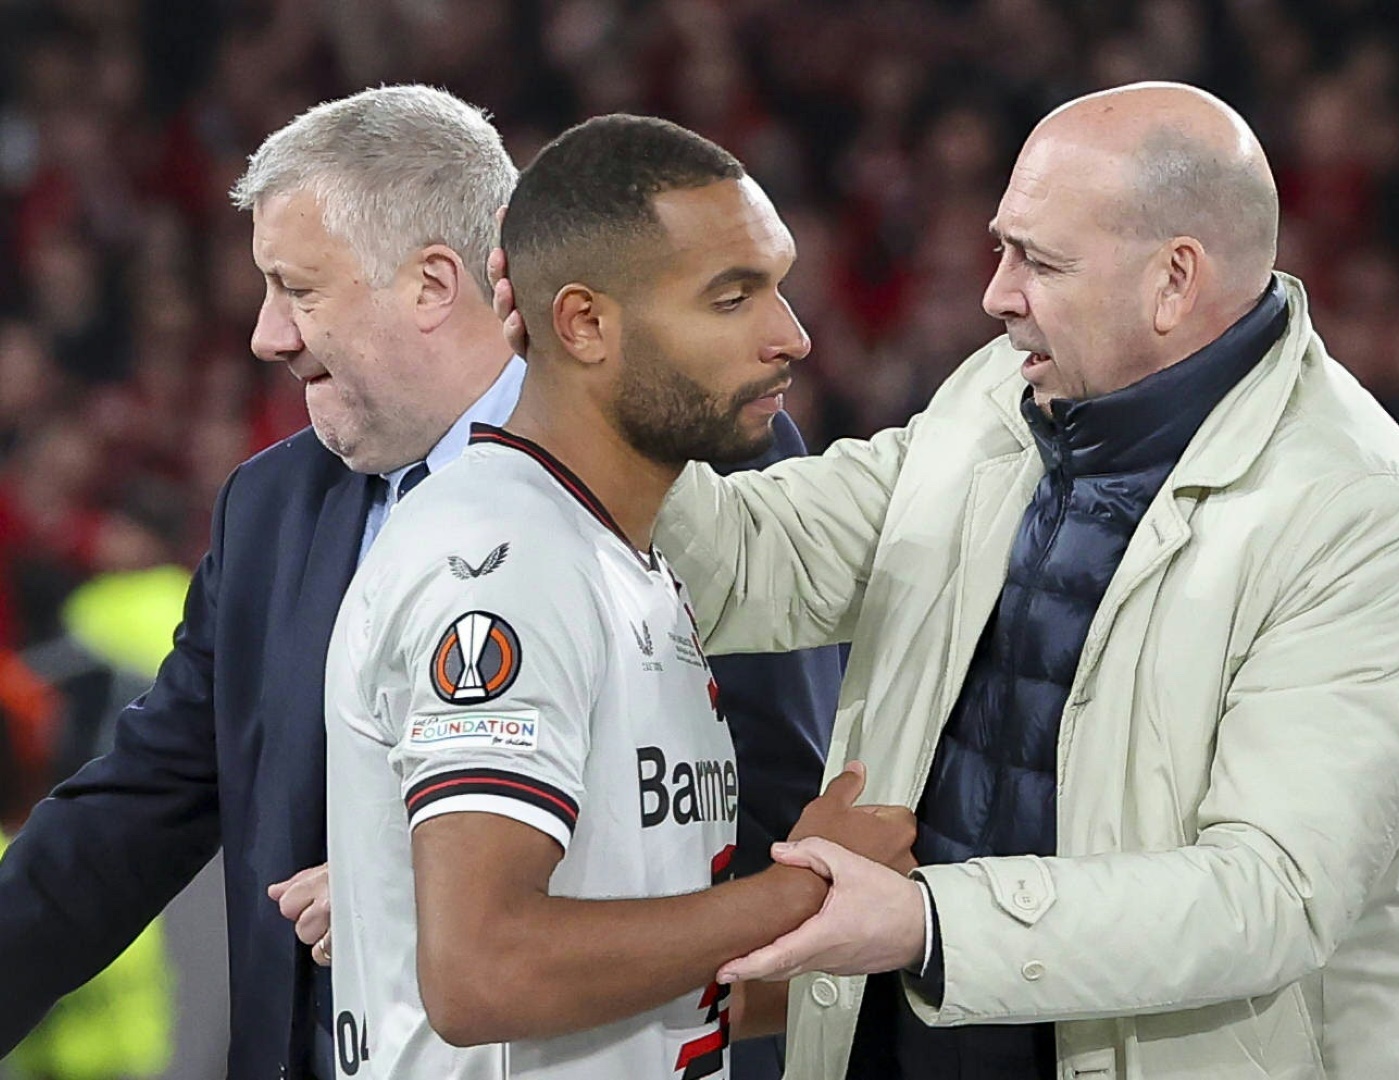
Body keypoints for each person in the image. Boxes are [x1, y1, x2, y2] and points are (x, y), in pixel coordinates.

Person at [623, 82, 1399, 1079]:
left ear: (1174, 282)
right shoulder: (1005, 391)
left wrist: (929, 923)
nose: (999, 292)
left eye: (1040, 260)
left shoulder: (1362, 521)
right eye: (1002, 246)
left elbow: (1269, 897)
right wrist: (597, 387)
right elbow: (754, 561)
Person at [0, 87, 839, 1080]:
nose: (269, 335)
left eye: (297, 289)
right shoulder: (272, 510)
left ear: (435, 284)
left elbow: (775, 821)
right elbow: (131, 815)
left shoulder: (694, 458)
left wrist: (430, 901)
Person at [322, 113, 913, 1079]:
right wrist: (804, 887)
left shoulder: (620, 555)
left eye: (780, 287)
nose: (790, 337)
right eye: (732, 299)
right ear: (585, 323)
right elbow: (483, 975)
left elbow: (666, 985)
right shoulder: (503, 564)